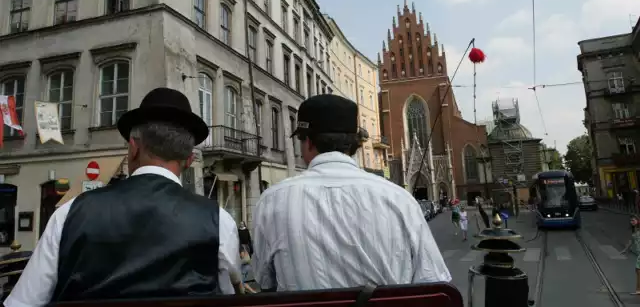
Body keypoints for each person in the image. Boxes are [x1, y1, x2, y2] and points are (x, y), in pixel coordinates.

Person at [5, 88, 243, 307]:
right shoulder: (218, 221)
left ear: (133, 148)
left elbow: (22, 303)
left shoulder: (69, 214)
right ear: (189, 160)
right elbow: (226, 297)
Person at [251, 94, 451, 291]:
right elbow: (433, 283)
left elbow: (265, 282)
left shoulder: (271, 201)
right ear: (355, 145)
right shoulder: (401, 200)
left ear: (309, 142)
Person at [620, 215, 640, 295]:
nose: (632, 222)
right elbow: (631, 241)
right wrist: (625, 250)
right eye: (631, 221)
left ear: (638, 220)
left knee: (638, 270)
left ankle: (638, 290)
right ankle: (638, 289)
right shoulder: (634, 231)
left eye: (633, 220)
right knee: (637, 270)